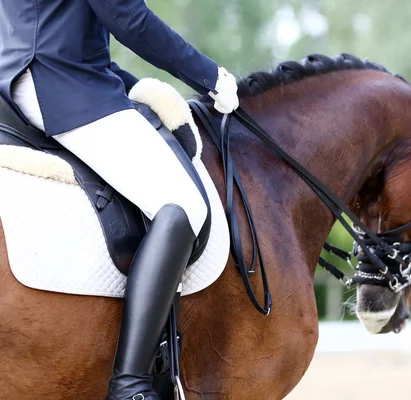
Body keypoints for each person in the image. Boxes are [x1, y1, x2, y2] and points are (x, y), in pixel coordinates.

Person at [0, 1, 239, 399]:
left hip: (22, 77)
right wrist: (210, 76)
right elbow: (128, 17)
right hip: (63, 85)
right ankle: (130, 384)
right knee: (182, 205)